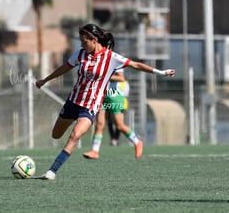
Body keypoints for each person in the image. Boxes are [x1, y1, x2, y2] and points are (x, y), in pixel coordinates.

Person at [35, 23, 175, 180]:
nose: (82, 45)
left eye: (84, 42)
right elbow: (64, 68)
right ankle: (93, 149)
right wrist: (45, 80)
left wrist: (161, 72)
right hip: (73, 102)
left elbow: (136, 65)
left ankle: (52, 171)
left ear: (94, 40)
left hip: (90, 107)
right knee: (56, 135)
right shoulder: (80, 54)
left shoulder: (111, 57)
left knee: (76, 135)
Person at [83, 69, 137, 160]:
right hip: (102, 97)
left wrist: (106, 77)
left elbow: (123, 85)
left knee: (119, 125)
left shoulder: (116, 64)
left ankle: (135, 141)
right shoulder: (99, 63)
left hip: (118, 101)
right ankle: (95, 151)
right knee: (102, 123)